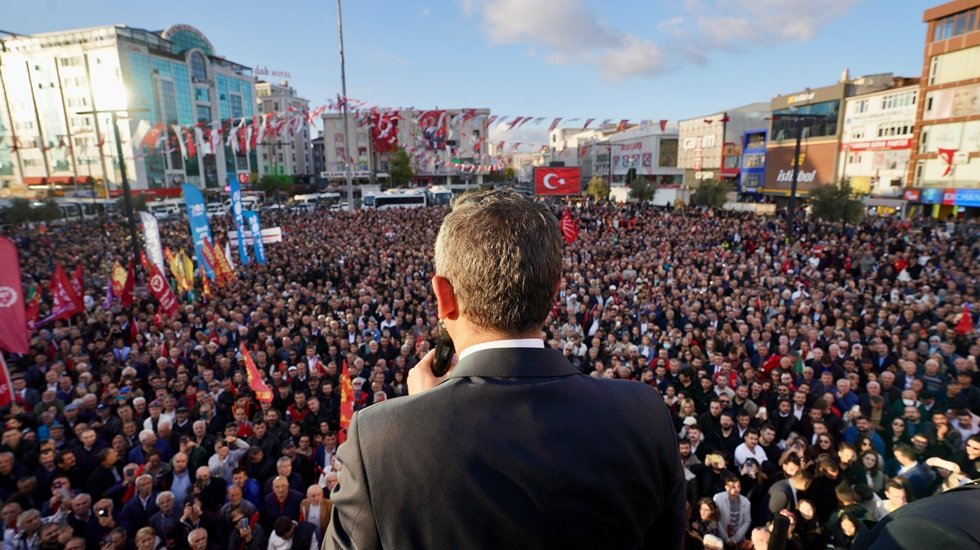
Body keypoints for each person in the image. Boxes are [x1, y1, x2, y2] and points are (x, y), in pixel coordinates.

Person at [324, 190, 686, 549]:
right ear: (554, 291)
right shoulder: (644, 415)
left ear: (443, 296)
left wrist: (419, 418)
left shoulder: (378, 439)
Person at [713, 474, 751, 548]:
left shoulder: (746, 502)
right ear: (726, 487)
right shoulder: (718, 498)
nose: (737, 489)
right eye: (733, 487)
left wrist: (735, 539)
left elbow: (747, 521)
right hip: (721, 539)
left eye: (739, 486)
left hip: (739, 539)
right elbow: (716, 519)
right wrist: (726, 539)